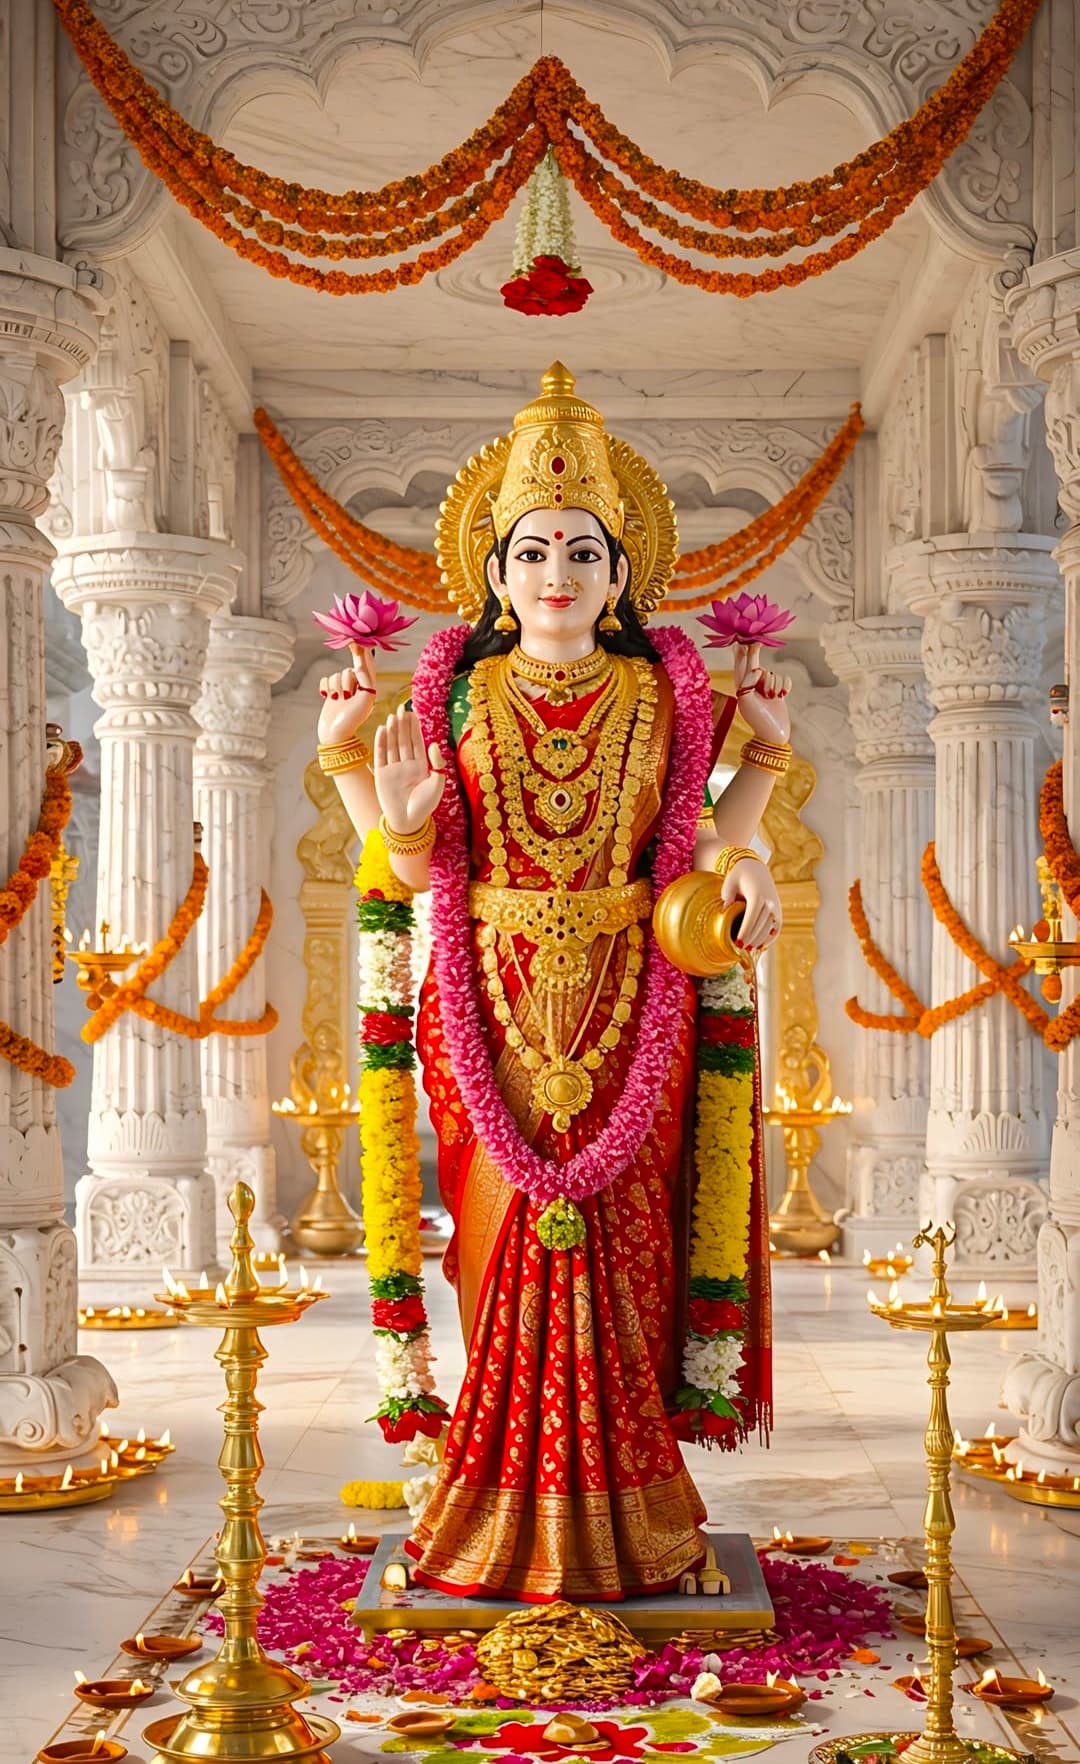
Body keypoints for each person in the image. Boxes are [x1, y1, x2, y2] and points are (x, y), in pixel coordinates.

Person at [316, 364, 789, 1601]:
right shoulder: (455, 691)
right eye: (533, 551)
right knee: (506, 1241)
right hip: (487, 1003)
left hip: (639, 1002)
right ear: (495, 572)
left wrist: (764, 798)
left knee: (625, 1249)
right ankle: (491, 1498)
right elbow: (414, 868)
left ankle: (640, 1517)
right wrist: (377, 796)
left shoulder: (664, 690)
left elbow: (696, 845)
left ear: (623, 574)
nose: (559, 573)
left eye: (584, 549)